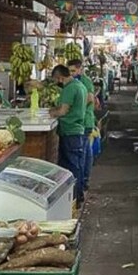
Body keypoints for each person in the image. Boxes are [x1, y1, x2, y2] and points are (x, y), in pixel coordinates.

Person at [49, 65, 88, 202]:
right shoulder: (79, 85)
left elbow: (63, 111)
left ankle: (75, 198)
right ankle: (78, 195)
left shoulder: (69, 88)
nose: (56, 82)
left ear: (60, 77)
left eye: (56, 79)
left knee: (72, 166)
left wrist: (51, 113)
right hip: (77, 129)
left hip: (70, 130)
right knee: (76, 164)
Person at [68, 59, 97, 194]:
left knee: (83, 153)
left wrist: (74, 108)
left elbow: (90, 98)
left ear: (80, 69)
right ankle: (84, 180)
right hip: (82, 122)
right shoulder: (74, 82)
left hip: (84, 122)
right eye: (69, 71)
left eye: (73, 71)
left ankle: (83, 181)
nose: (71, 73)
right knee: (85, 151)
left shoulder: (84, 81)